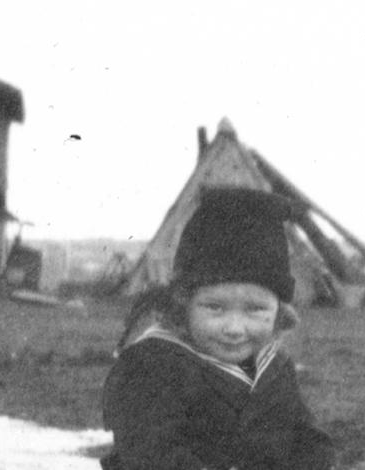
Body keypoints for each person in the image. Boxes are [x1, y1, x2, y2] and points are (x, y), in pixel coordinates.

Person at [102, 188, 335, 470]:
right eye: (215, 307)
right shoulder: (154, 364)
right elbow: (148, 451)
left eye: (255, 309)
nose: (235, 328)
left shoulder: (275, 366)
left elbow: (306, 438)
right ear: (183, 304)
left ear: (279, 313)